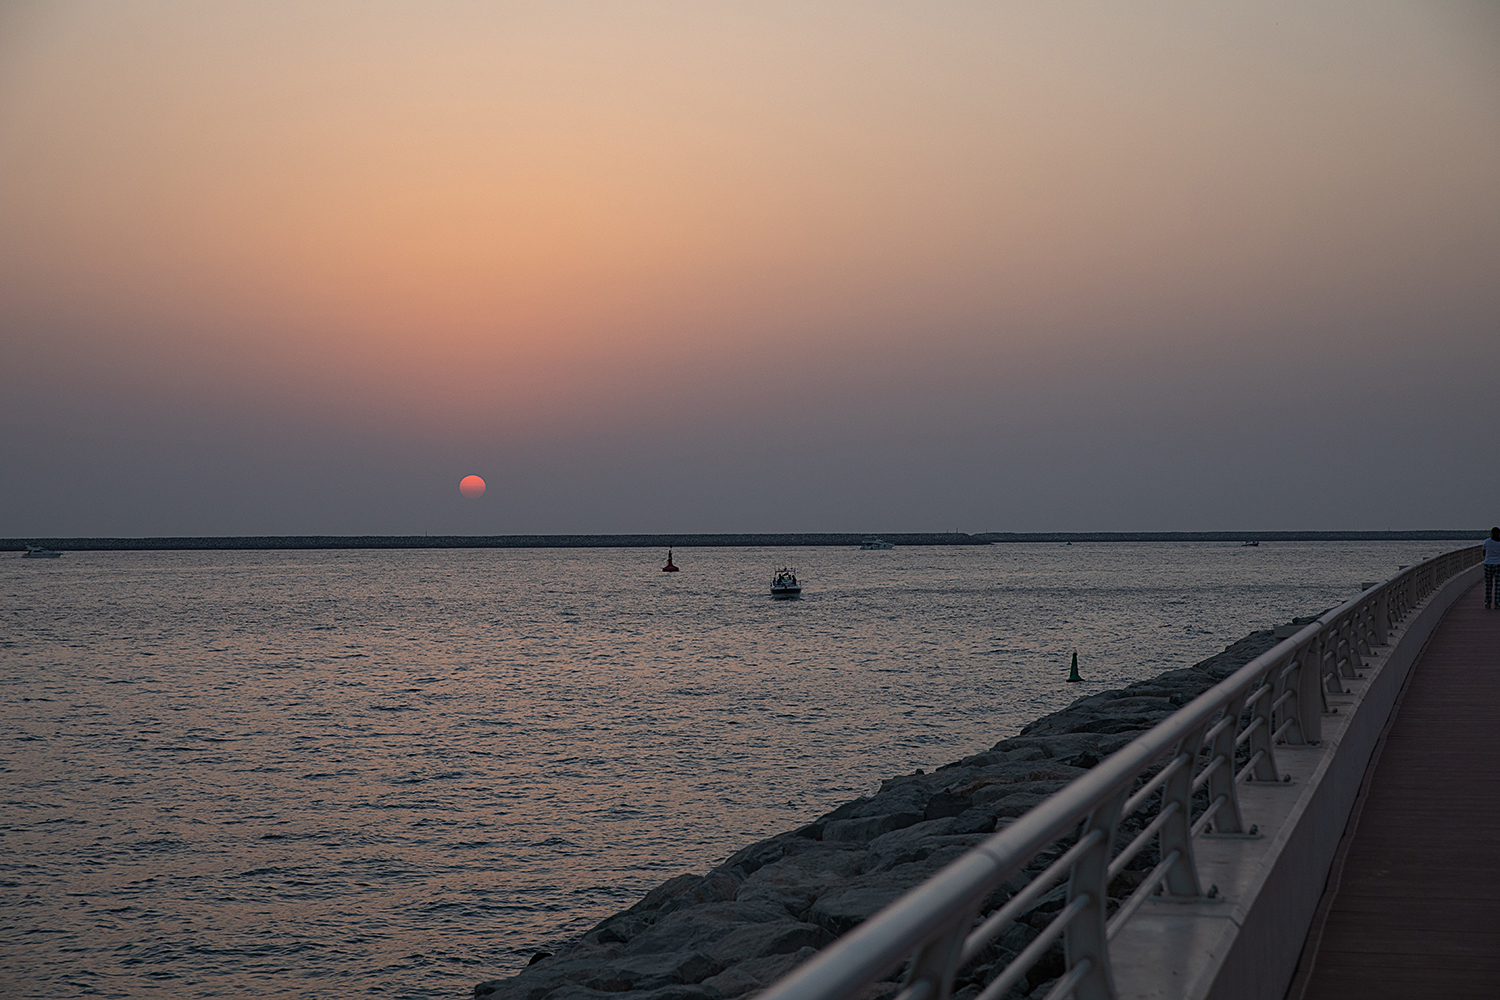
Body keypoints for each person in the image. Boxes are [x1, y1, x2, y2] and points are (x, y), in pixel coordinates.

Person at [1485, 527, 1500, 609]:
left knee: (1488, 584)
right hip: (1498, 564)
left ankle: (1488, 602)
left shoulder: (1487, 542)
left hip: (1488, 564)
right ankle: (1497, 603)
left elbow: (1484, 553)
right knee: (1498, 585)